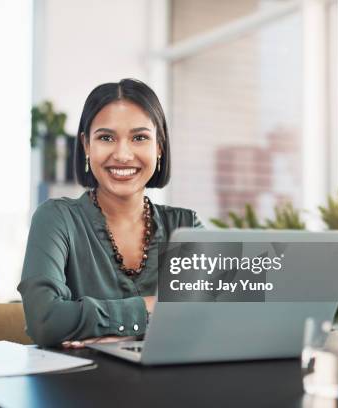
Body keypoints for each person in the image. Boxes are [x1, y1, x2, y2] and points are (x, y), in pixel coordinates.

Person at [18, 78, 202, 348]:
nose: (123, 154)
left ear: (159, 146)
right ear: (86, 146)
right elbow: (45, 321)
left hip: (172, 385)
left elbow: (211, 315)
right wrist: (152, 306)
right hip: (78, 386)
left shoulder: (185, 226)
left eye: (139, 137)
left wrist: (127, 331)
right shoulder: (56, 219)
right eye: (106, 138)